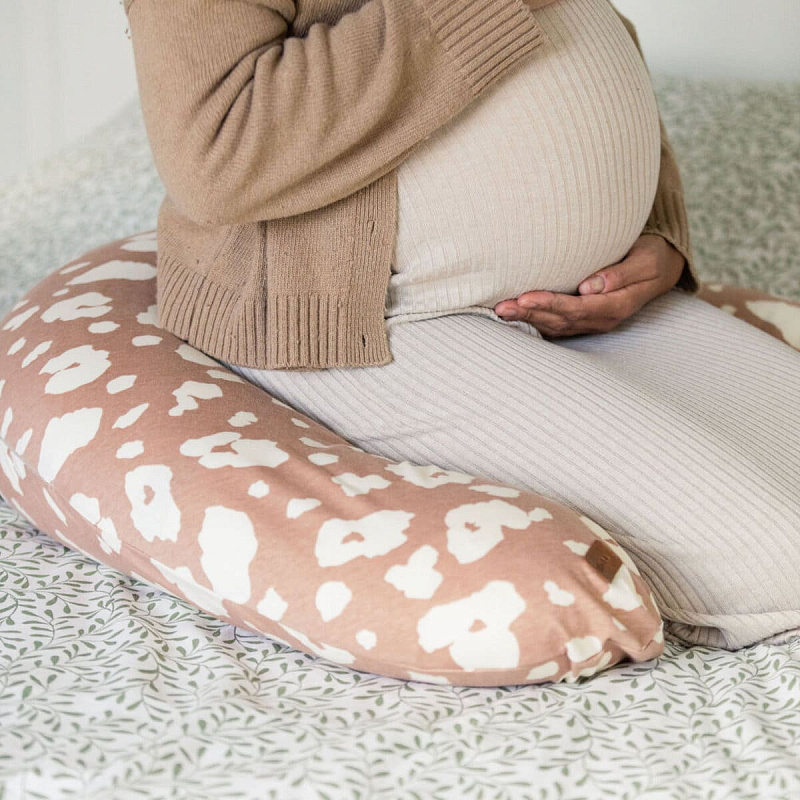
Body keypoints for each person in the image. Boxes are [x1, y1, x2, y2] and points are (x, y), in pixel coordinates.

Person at [125, 0, 800, 650]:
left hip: (592, 303)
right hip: (373, 317)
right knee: (779, 557)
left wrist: (657, 227)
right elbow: (218, 151)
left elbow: (588, 27)